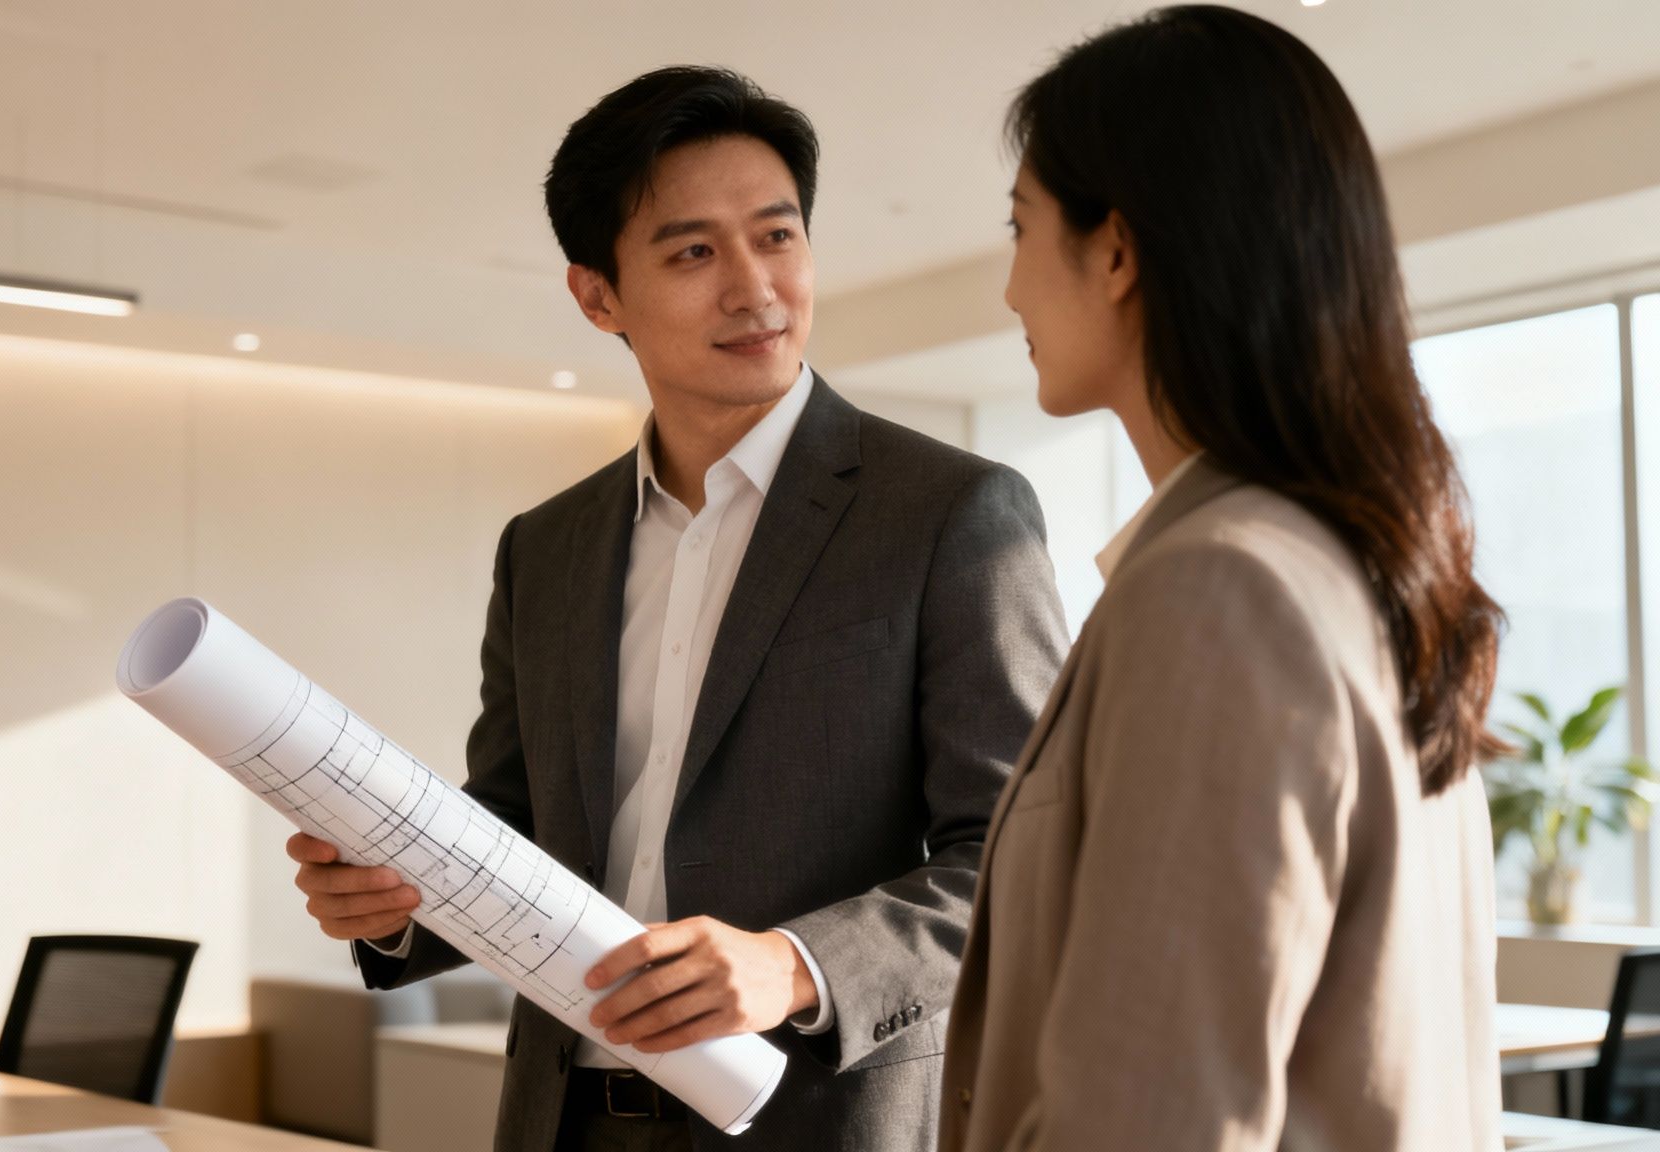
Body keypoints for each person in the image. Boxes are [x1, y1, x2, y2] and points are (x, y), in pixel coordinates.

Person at [287, 66, 1068, 1151]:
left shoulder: (953, 514)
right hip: (563, 1122)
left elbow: (1030, 861)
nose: (754, 288)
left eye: (777, 236)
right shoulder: (545, 550)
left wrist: (793, 966)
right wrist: (402, 899)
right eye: (693, 251)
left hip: (816, 1122)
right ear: (597, 295)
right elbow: (517, 829)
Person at [938, 7, 1506, 1151]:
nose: (1005, 290)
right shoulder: (1348, 566)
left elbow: (1151, 1120)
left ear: (1115, 248)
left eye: (1019, 228)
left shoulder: (1219, 593)